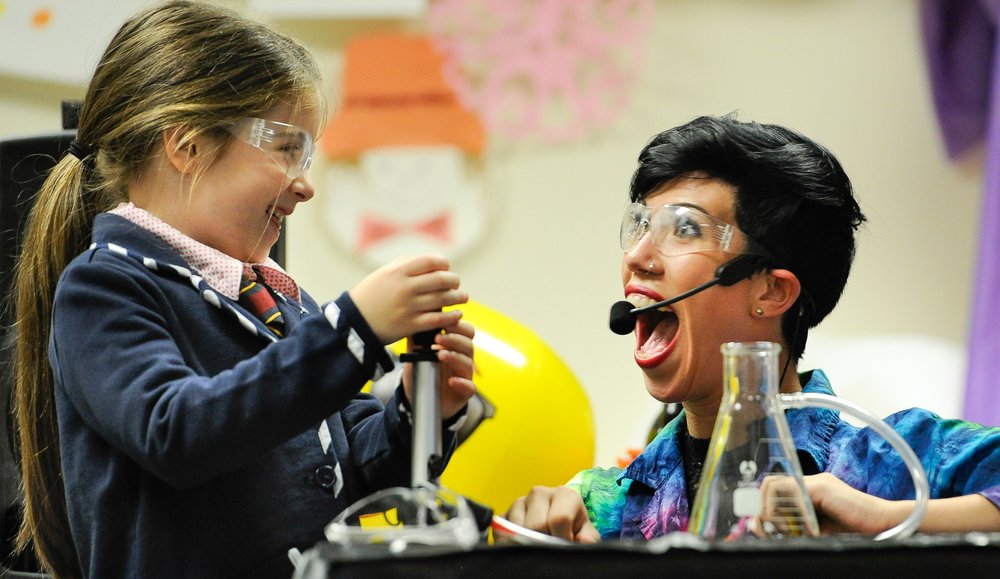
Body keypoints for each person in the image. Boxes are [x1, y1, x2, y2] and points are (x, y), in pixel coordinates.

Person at [10, 2, 476, 577]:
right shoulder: (104, 286)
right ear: (188, 147)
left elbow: (350, 470)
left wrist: (420, 409)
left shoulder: (280, 300)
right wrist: (352, 332)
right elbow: (177, 431)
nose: (306, 185)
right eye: (287, 149)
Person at [504, 114, 1000, 542]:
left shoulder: (888, 459)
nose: (636, 258)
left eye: (683, 228)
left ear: (771, 291)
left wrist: (888, 520)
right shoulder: (603, 505)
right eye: (639, 227)